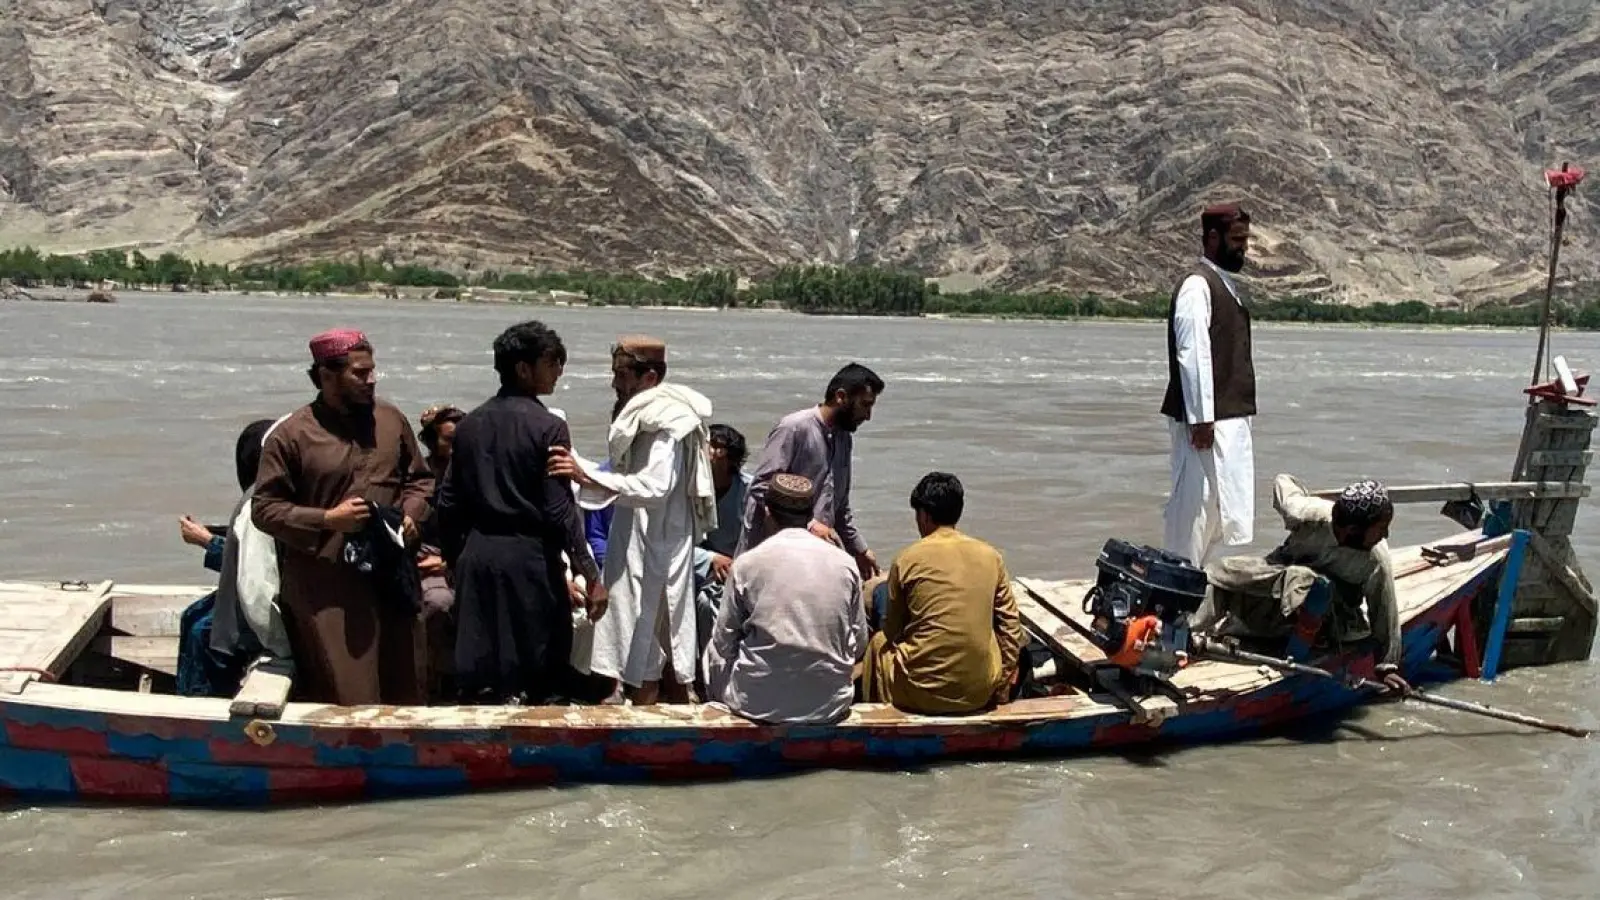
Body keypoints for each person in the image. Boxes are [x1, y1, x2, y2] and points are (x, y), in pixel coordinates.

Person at [251, 328, 433, 705]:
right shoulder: (291, 436)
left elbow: (421, 481)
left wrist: (412, 514)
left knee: (407, 690)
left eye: (372, 371)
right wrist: (328, 518)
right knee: (351, 695)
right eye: (360, 373)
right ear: (326, 375)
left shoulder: (390, 419)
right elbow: (264, 510)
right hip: (328, 585)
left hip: (393, 575)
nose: (372, 379)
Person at [434, 321, 606, 705]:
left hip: (476, 558)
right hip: (529, 563)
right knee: (537, 675)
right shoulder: (549, 427)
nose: (559, 370)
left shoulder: (468, 427)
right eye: (552, 362)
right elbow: (560, 508)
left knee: (482, 675)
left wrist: (452, 557)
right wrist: (590, 574)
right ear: (523, 369)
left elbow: (447, 502)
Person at [548, 335, 717, 705]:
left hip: (657, 546)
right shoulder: (647, 418)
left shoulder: (668, 424)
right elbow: (617, 475)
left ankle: (656, 725)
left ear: (649, 378)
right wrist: (578, 467)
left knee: (653, 640)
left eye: (622, 375)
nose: (615, 384)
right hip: (639, 540)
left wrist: (585, 476)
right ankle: (647, 716)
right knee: (640, 646)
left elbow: (654, 487)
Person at [1193, 475, 1410, 693]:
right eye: (1381, 528)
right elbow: (1283, 481)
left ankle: (1294, 660)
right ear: (1353, 529)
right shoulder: (1310, 516)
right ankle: (1185, 633)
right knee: (1221, 572)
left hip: (1334, 619)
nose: (1386, 535)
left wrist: (1386, 667)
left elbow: (1384, 609)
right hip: (1280, 589)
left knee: (1311, 581)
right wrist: (1307, 497)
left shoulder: (1376, 558)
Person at [702, 473, 866, 725]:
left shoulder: (747, 563)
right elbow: (859, 642)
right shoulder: (845, 564)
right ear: (810, 515)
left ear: (767, 511)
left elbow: (724, 643)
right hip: (830, 704)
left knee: (711, 651)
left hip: (757, 705)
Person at [861, 472, 1025, 714]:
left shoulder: (906, 559)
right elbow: (1011, 629)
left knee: (878, 643)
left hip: (920, 694)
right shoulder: (991, 556)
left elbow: (893, 632)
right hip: (978, 694)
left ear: (924, 515)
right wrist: (1000, 687)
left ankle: (880, 713)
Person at [1160, 202, 1257, 567]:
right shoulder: (1197, 286)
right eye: (1237, 239)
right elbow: (1193, 353)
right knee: (1193, 511)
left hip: (1226, 421)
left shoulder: (1222, 285)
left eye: (1245, 239)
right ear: (1213, 238)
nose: (1244, 247)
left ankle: (1192, 583)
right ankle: (1172, 595)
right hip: (1204, 425)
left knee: (1218, 511)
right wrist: (1201, 418)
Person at [737, 363, 883, 580]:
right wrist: (810, 524)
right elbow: (761, 486)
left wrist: (860, 550)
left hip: (812, 558)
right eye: (865, 405)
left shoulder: (844, 440)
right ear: (841, 397)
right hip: (772, 557)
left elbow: (839, 507)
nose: (868, 416)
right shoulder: (794, 428)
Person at [174, 418, 276, 697]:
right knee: (194, 614)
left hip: (272, 606)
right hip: (263, 595)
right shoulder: (265, 498)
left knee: (202, 630)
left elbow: (250, 567)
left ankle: (202, 703)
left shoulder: (268, 501)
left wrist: (206, 542)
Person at [416, 403, 465, 701]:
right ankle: (437, 682)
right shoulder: (419, 480)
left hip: (463, 557)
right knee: (439, 601)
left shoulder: (475, 478)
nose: (456, 448)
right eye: (449, 441)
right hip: (425, 556)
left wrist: (450, 561)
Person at [693, 423, 752, 653]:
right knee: (704, 602)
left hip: (740, 567)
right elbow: (673, 542)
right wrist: (709, 558)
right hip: (697, 565)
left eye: (713, 447)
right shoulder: (687, 490)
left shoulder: (750, 492)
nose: (706, 452)